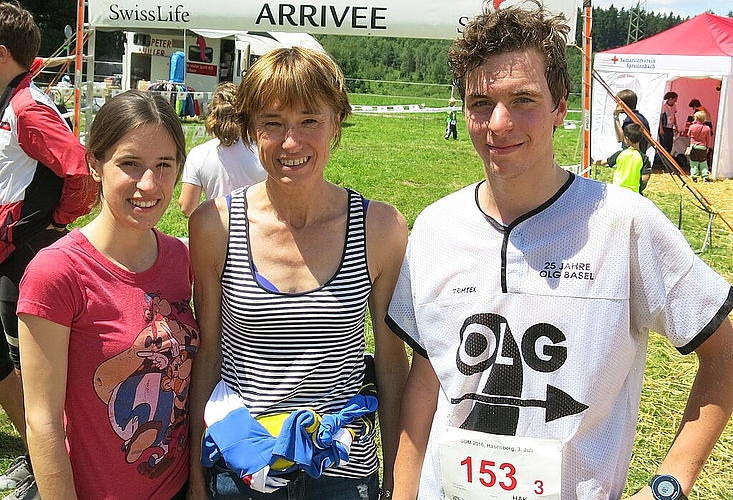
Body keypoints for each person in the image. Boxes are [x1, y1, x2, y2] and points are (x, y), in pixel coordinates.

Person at [386, 3, 733, 500]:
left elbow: (725, 354)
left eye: (523, 99)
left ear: (560, 107)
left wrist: (669, 485)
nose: (499, 123)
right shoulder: (435, 228)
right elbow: (426, 382)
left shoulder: (624, 224)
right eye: (481, 102)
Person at [186, 46, 409, 500]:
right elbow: (208, 356)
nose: (292, 142)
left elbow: (390, 363)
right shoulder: (216, 225)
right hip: (244, 466)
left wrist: (399, 477)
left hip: (342, 467)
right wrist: (195, 476)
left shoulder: (380, 228)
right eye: (273, 122)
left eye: (310, 120)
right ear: (251, 130)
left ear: (336, 124)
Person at [16, 90, 199, 500]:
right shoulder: (57, 272)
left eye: (164, 165)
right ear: (95, 163)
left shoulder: (180, 259)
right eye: (130, 164)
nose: (149, 184)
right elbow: (42, 420)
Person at [0, 3, 95, 499]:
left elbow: (79, 172)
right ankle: (36, 452)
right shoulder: (8, 99)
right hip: (8, 251)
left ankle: (52, 463)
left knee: (32, 367)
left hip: (22, 256)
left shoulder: (27, 108)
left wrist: (50, 222)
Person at [177, 82, 266, 217]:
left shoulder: (198, 154)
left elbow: (187, 207)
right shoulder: (263, 151)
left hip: (217, 229)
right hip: (257, 229)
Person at [613, 89, 652, 193]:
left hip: (630, 161)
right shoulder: (641, 118)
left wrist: (615, 117)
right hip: (638, 159)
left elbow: (620, 138)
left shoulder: (630, 120)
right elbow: (650, 140)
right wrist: (641, 151)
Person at [596, 123, 644, 193]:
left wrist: (593, 161)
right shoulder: (643, 157)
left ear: (626, 138)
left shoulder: (620, 154)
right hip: (634, 192)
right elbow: (645, 178)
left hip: (618, 190)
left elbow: (604, 162)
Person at [686, 110, 713, 182]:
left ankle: (694, 176)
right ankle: (705, 176)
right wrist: (707, 147)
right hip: (702, 147)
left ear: (696, 118)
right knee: (703, 162)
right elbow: (708, 139)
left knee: (694, 162)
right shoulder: (707, 128)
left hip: (694, 146)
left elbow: (688, 135)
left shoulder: (692, 127)